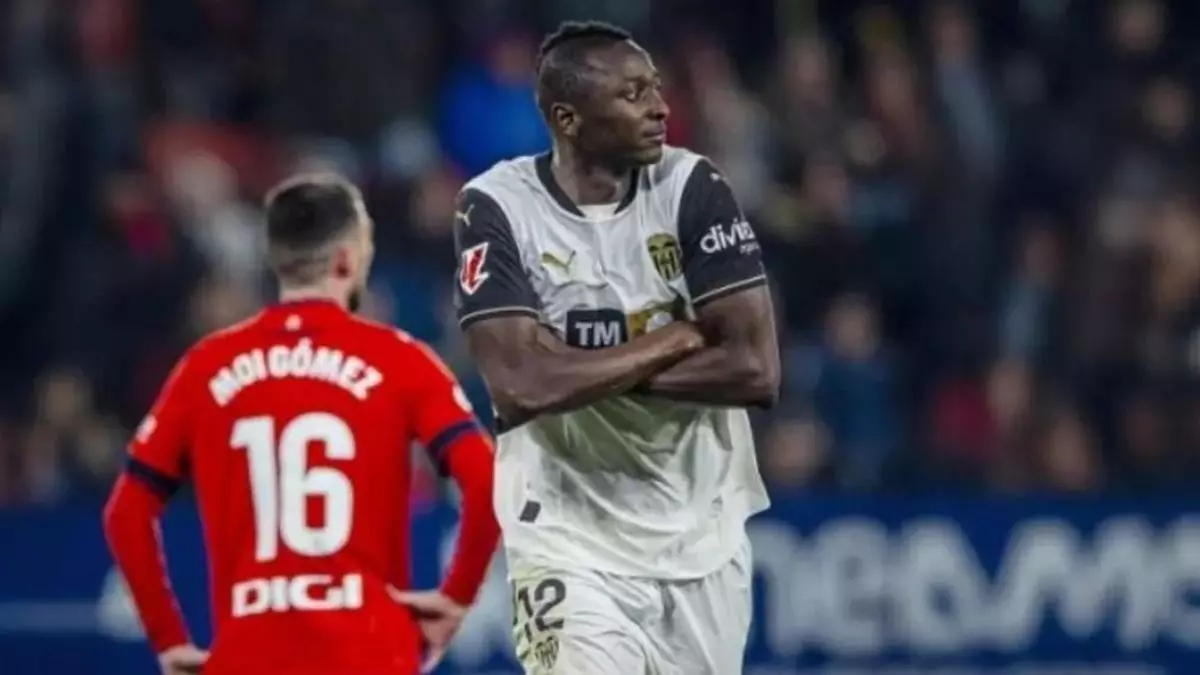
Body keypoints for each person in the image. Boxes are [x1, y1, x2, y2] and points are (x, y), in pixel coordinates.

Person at [452, 20, 779, 675]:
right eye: (633, 94)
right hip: (562, 533)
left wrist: (574, 369)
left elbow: (755, 369)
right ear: (568, 119)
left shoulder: (693, 187)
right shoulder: (495, 206)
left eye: (654, 87)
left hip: (699, 532)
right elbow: (520, 386)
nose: (660, 107)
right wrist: (678, 337)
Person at [103, 174, 500, 675]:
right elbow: (486, 480)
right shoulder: (399, 360)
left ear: (277, 257)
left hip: (250, 659)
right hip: (370, 657)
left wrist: (169, 640)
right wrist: (456, 600)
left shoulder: (207, 368)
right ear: (348, 258)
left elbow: (126, 512)